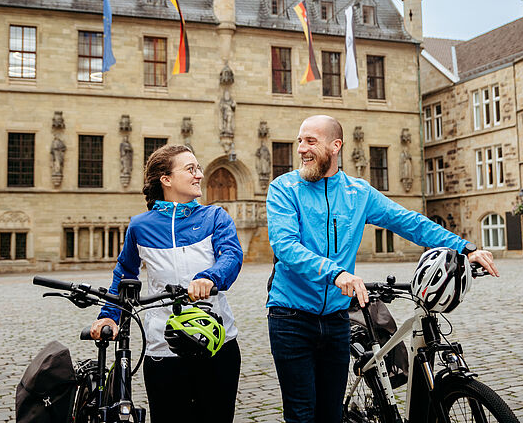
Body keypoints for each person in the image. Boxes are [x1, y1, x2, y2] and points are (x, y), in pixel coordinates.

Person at [266, 115, 498, 423]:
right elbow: (286, 246)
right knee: (301, 415)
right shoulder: (284, 188)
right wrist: (336, 273)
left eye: (311, 141)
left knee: (330, 415)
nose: (301, 149)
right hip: (291, 317)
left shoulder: (358, 193)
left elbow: (408, 222)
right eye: (300, 141)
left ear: (335, 146)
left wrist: (465, 248)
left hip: (336, 318)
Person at [91, 144, 244, 422]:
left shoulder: (215, 217)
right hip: (163, 347)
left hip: (216, 344)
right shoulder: (140, 226)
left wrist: (209, 278)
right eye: (190, 169)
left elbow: (231, 256)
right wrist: (110, 316)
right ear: (166, 179)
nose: (199, 174)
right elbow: (125, 274)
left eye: (198, 168)